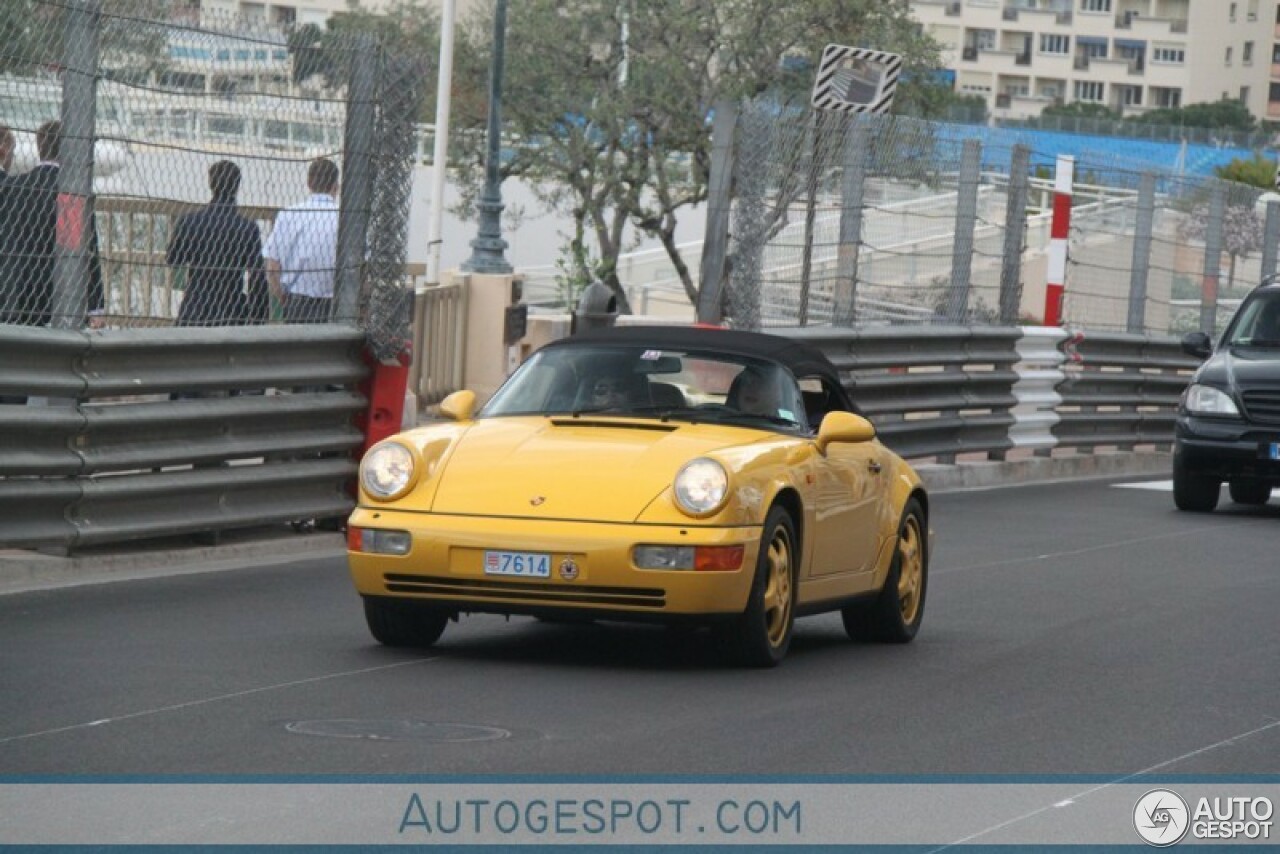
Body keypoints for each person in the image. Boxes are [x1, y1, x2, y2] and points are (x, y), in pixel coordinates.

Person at [0, 120, 104, 328]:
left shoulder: (12, 186)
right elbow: (83, 248)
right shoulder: (68, 192)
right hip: (53, 294)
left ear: (39, 147)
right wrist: (96, 306)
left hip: (12, 289)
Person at [167, 160, 269, 326]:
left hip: (195, 308)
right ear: (237, 187)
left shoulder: (191, 222)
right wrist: (259, 317)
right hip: (231, 309)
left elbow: (173, 258)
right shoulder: (248, 228)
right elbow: (256, 277)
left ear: (210, 184)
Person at [262, 157, 339, 324]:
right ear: (336, 187)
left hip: (297, 302)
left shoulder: (289, 215)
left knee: (298, 349)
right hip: (337, 302)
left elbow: (272, 267)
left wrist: (282, 296)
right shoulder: (345, 217)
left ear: (309, 183)